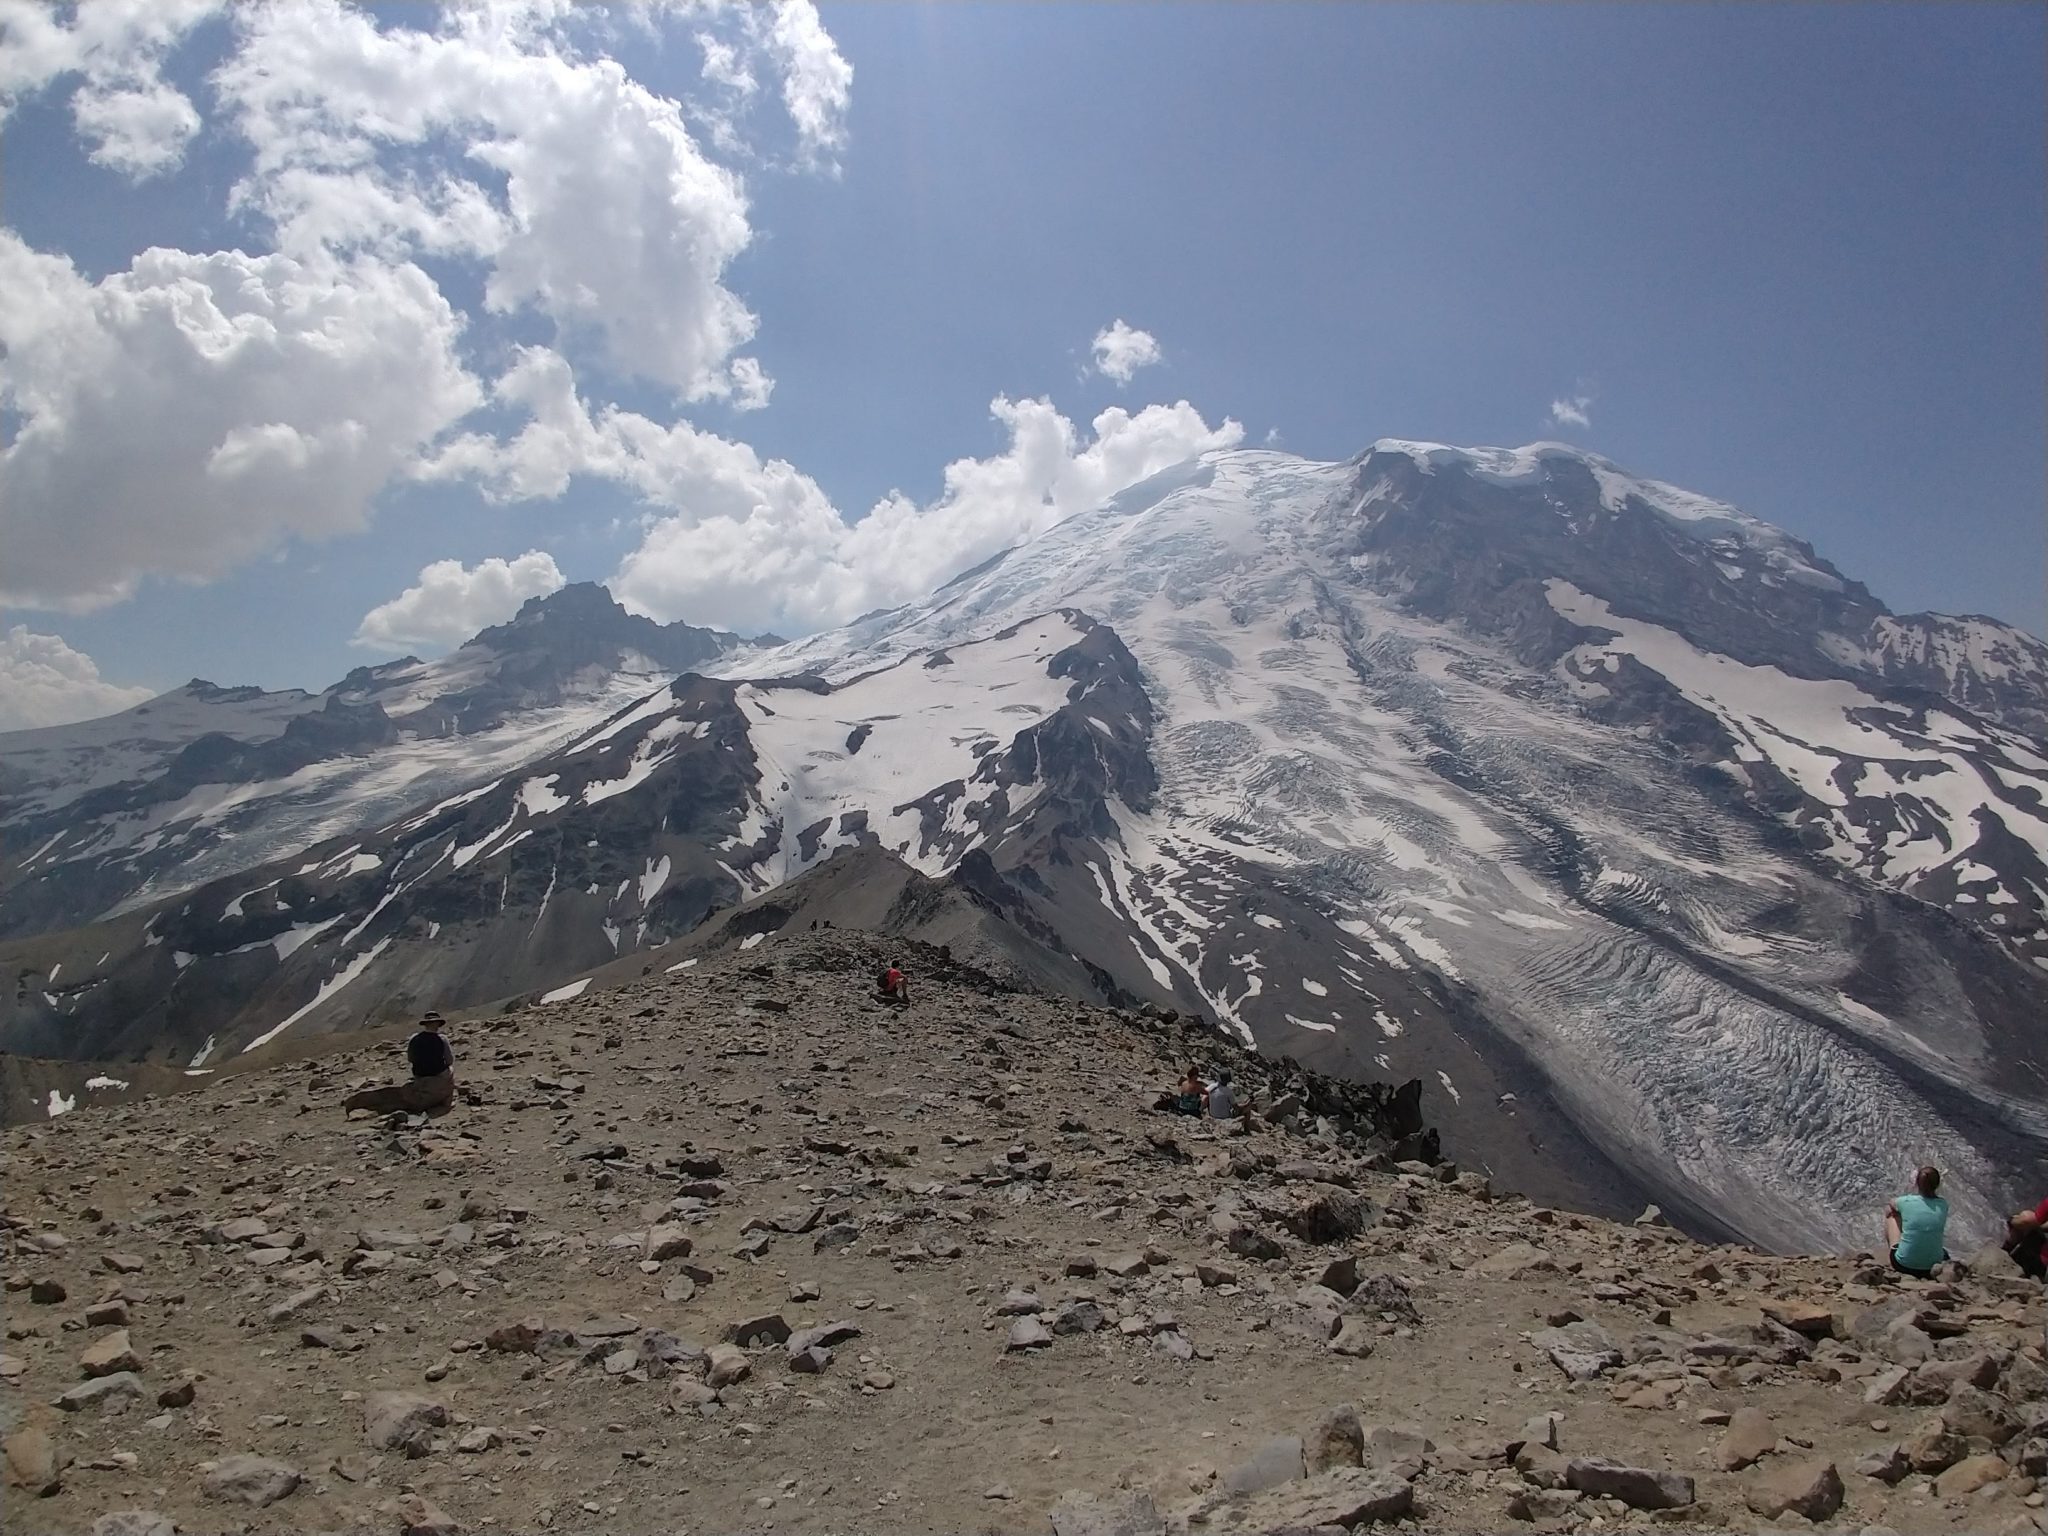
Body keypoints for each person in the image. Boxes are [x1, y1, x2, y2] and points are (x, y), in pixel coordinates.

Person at [343, 1011, 455, 1116]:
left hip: (420, 1077)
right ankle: (446, 1102)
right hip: (438, 1077)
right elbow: (449, 1060)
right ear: (438, 1024)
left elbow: (411, 1059)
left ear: (425, 1024)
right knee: (450, 1071)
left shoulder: (414, 1038)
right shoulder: (442, 1039)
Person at [1884, 1165, 1950, 1278]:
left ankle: (1895, 1249)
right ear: (1937, 1184)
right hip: (1934, 1266)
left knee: (1892, 1215)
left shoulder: (1906, 1201)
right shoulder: (1943, 1205)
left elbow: (1891, 1203)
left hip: (1904, 1265)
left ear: (1916, 1183)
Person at [2005, 1195, 2048, 1279]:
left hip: (2041, 1265)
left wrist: (2011, 1220)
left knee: (2025, 1220)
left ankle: (2003, 1252)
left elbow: (2026, 1221)